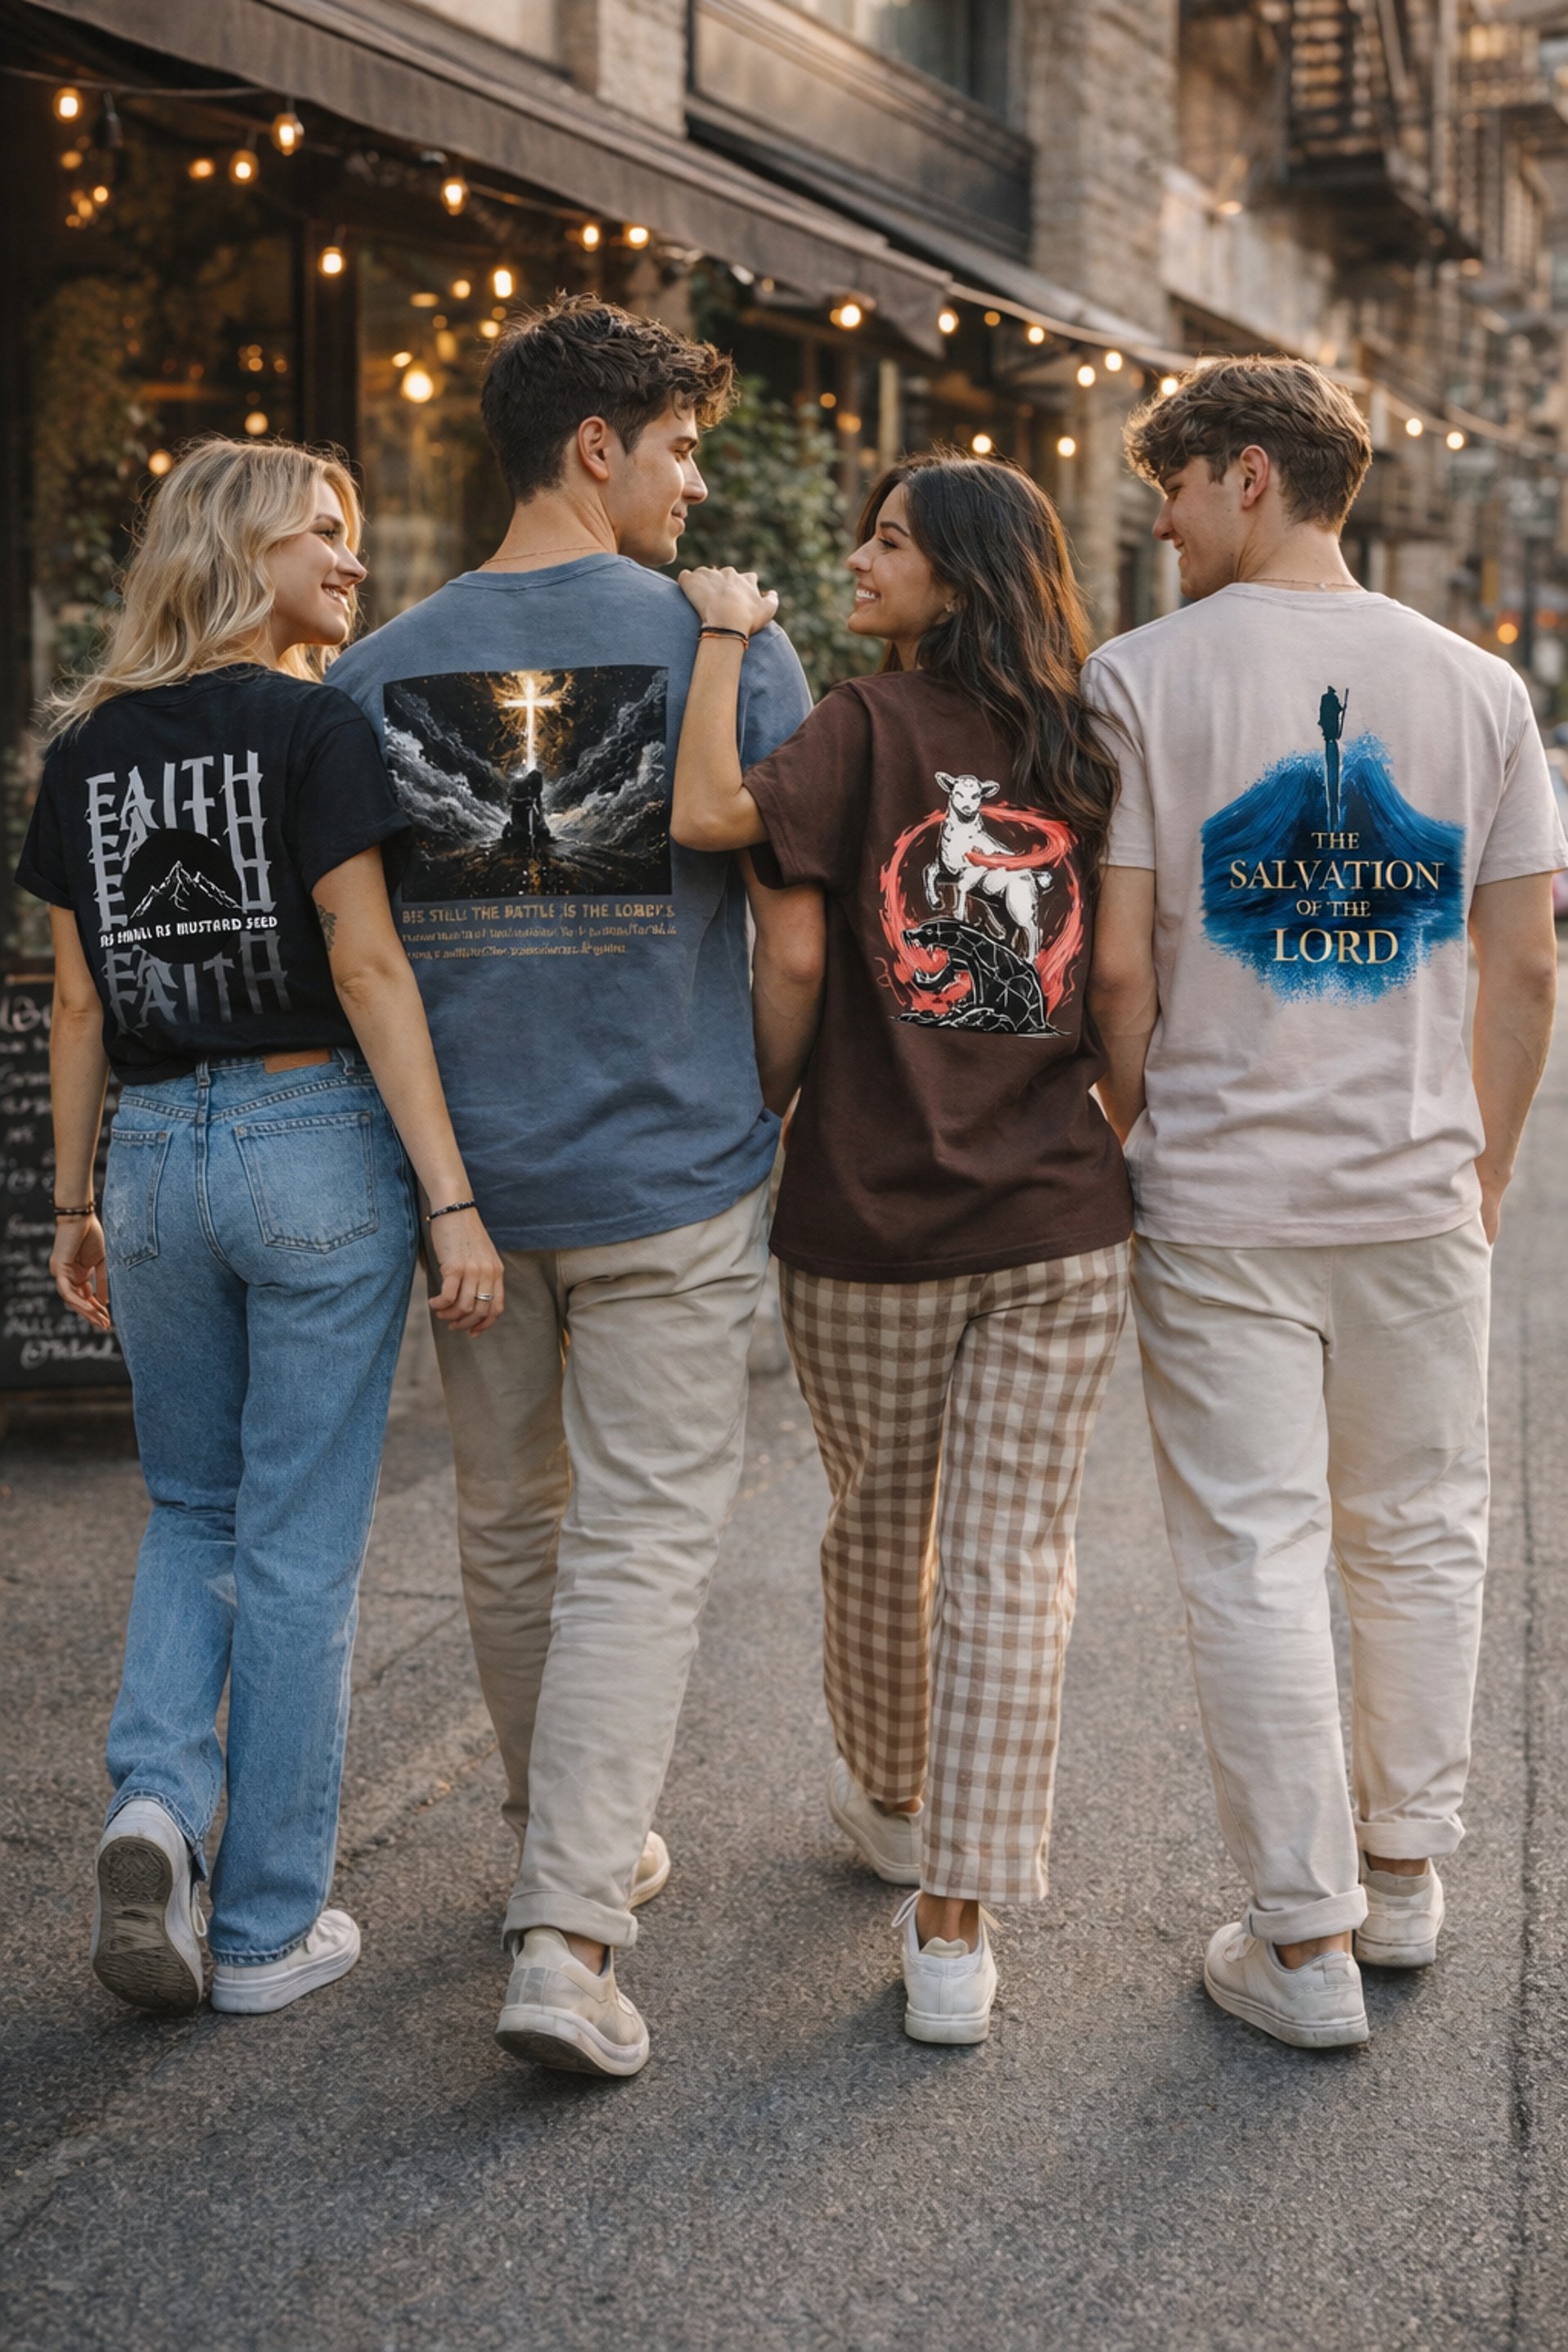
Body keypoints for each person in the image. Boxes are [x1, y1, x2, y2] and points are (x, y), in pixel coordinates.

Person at [328, 296, 817, 2077]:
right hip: (665, 1170)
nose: (695, 488)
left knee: (514, 1524)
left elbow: (359, 956)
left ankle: (568, 1836)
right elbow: (788, 949)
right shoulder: (725, 649)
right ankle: (564, 1927)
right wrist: (746, 1111)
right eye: (680, 450)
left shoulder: (377, 671)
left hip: (473, 1184)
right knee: (643, 1543)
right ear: (596, 448)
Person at [1086, 355, 1566, 2049]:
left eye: (1175, 483)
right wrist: (1486, 1159)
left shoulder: (1136, 679)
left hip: (1221, 1189)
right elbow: (1524, 968)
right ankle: (1408, 1875)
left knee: (1254, 1548)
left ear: (1250, 477)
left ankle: (1303, 1947)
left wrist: (1142, 1131)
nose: (1157, 517)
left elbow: (1125, 962)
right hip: (1421, 1189)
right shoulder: (1481, 688)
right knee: (1423, 1529)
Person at [16, 439, 505, 2019]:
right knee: (298, 1546)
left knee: (192, 1512)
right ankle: (266, 1927)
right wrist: (451, 1197)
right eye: (325, 536)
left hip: (152, 1150)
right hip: (311, 1146)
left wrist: (69, 1197)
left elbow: (77, 996)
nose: (351, 566)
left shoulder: (87, 748)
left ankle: (154, 1809)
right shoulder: (313, 727)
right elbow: (368, 970)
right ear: (244, 554)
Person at [670, 453, 1134, 2045]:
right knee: (1016, 1553)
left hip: (867, 1219)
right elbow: (1126, 971)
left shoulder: (862, 729)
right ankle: (956, 1928)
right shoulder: (1088, 738)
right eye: (863, 534)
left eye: (888, 543)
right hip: (1064, 1213)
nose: (859, 562)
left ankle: (895, 1800)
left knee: (883, 1528)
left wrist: (725, 633)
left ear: (964, 575)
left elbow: (735, 862)